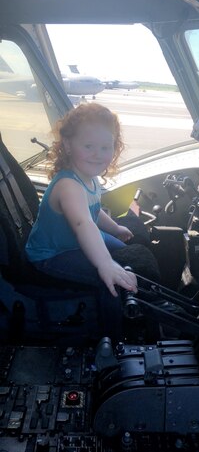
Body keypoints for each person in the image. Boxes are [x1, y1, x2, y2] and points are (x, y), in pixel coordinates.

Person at [25, 103, 137, 338]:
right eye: (89, 146)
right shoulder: (68, 186)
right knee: (111, 283)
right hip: (51, 255)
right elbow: (83, 224)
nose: (98, 154)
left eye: (106, 147)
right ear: (67, 145)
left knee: (125, 255)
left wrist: (115, 228)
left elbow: (93, 212)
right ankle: (115, 339)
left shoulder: (89, 177)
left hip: (74, 242)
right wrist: (105, 264)